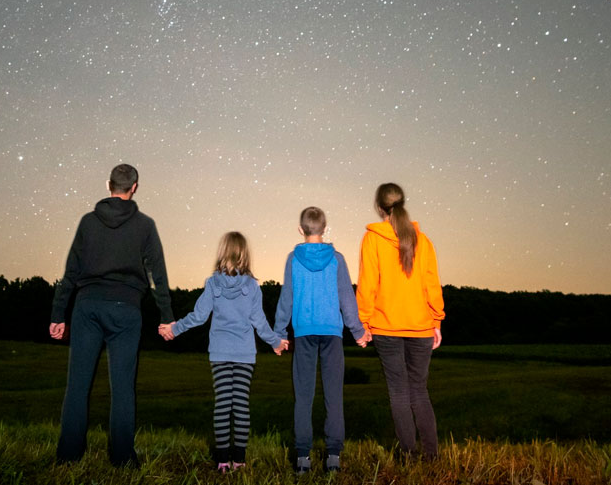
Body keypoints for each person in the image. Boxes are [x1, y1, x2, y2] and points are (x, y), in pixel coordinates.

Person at [48, 163, 175, 467]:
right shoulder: (145, 225)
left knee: (78, 384)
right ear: (135, 187)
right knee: (123, 387)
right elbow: (156, 274)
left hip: (87, 307)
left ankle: (68, 457)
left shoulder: (88, 223)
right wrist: (166, 315)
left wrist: (58, 313)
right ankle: (122, 459)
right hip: (126, 310)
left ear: (109, 185)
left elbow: (71, 271)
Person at [159, 232, 286, 473]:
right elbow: (259, 322)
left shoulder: (213, 283)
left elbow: (198, 316)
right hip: (245, 355)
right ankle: (239, 459)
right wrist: (275, 342)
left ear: (221, 253)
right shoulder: (252, 287)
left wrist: (175, 329)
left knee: (222, 404)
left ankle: (222, 461)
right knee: (240, 405)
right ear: (244, 255)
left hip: (219, 353)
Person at [272, 206, 367, 474]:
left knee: (303, 396)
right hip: (332, 334)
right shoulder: (337, 259)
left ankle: (303, 458)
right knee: (333, 395)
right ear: (325, 229)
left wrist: (279, 333)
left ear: (300, 230)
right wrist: (358, 331)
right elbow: (347, 297)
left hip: (303, 333)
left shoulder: (293, 259)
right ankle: (333, 457)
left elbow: (286, 298)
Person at [355, 183, 446, 460]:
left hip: (386, 327)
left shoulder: (372, 239)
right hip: (420, 326)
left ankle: (408, 455)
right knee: (419, 390)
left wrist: (364, 322)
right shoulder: (424, 240)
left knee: (398, 392)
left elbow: (367, 284)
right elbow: (432, 284)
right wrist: (436, 320)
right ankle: (432, 456)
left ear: (380, 207)